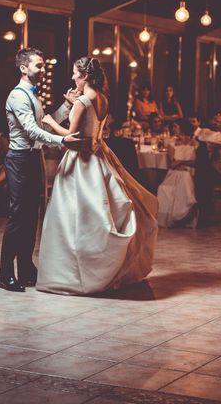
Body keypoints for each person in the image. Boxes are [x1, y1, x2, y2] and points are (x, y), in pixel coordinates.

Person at [37, 57, 158, 295]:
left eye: (75, 74)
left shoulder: (83, 101)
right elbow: (90, 128)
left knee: (74, 218)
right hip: (99, 158)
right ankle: (103, 268)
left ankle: (77, 274)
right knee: (97, 215)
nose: (72, 78)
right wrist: (73, 106)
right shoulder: (102, 99)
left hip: (81, 164)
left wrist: (50, 120)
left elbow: (71, 137)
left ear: (84, 76)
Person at [0, 47, 82, 292]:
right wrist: (62, 141)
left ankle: (25, 269)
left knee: (31, 216)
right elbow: (31, 131)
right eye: (39, 65)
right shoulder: (17, 96)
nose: (43, 69)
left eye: (44, 65)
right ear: (23, 68)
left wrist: (66, 107)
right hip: (18, 159)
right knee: (17, 217)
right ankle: (6, 275)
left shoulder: (34, 96)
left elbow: (44, 121)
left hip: (33, 157)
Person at [157, 119, 198, 227]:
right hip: (174, 173)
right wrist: (180, 164)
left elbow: (196, 162)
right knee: (180, 178)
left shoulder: (195, 143)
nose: (174, 129)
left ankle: (184, 214)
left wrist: (182, 162)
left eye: (176, 126)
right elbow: (172, 163)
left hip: (191, 172)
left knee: (185, 176)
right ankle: (181, 213)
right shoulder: (172, 144)